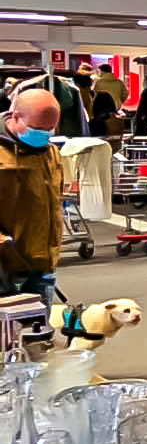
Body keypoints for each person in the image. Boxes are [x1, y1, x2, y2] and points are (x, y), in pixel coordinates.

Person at [0, 89, 63, 305]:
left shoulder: (51, 152)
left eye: (49, 129)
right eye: (37, 129)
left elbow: (54, 203)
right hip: (4, 268)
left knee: (41, 324)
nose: (44, 135)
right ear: (15, 116)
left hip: (42, 265)